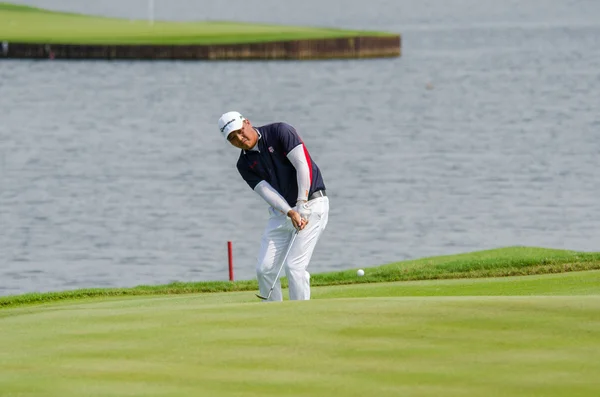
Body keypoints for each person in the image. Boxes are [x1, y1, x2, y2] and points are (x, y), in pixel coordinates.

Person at [217, 111, 329, 301]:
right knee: (265, 269)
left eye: (240, 131)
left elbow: (303, 166)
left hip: (312, 202)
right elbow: (267, 192)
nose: (239, 139)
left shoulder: (280, 132)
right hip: (283, 213)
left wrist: (301, 204)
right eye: (232, 138)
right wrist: (290, 211)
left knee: (294, 266)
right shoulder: (243, 164)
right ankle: (275, 316)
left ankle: (301, 316)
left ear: (247, 122)